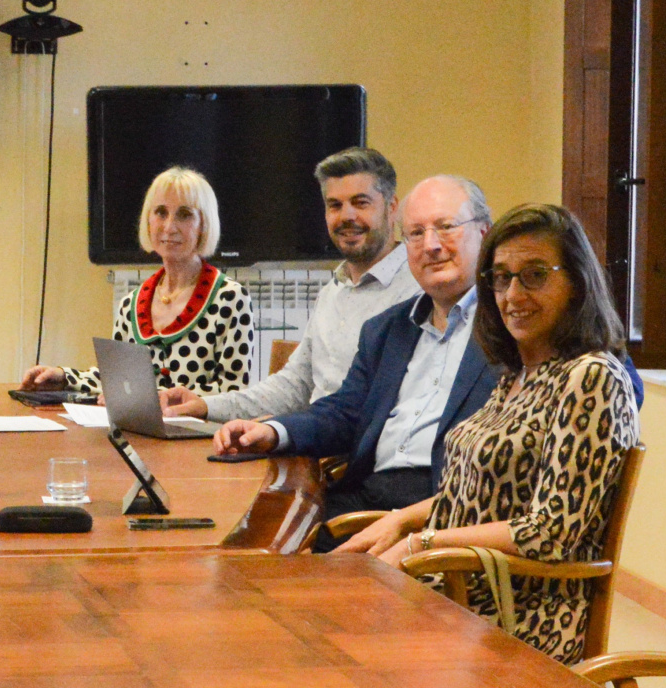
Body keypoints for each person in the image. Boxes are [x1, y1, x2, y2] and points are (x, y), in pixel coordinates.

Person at [336, 204, 640, 664]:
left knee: (326, 645)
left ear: (576, 282)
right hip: (449, 592)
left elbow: (549, 532)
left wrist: (425, 543)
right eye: (501, 277)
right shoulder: (518, 373)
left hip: (514, 620)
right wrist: (404, 518)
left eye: (535, 275)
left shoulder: (591, 378)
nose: (513, 294)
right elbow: (480, 494)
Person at [212, 175, 501, 550]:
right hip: (367, 495)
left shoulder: (510, 328)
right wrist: (272, 432)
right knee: (248, 545)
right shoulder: (387, 329)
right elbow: (345, 413)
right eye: (415, 233)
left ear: (485, 233)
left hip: (447, 511)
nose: (430, 245)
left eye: (445, 227)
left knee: (276, 572)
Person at [162, 147, 420, 421]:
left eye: (360, 202)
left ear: (392, 208)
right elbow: (294, 386)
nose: (347, 216)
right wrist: (205, 406)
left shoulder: (419, 292)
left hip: (358, 457)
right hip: (314, 445)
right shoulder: (332, 292)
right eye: (335, 205)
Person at [20, 166, 254, 398]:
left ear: (204, 224)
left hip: (201, 435)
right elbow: (117, 378)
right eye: (161, 212)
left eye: (184, 214)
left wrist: (151, 398)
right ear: (148, 221)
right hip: (140, 432)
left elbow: (233, 392)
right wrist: (64, 377)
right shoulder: (130, 304)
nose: (169, 227)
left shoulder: (231, 298)